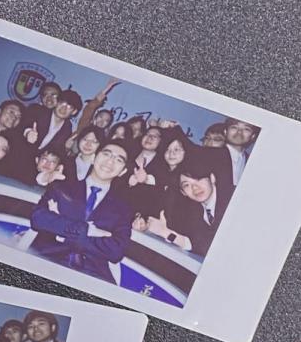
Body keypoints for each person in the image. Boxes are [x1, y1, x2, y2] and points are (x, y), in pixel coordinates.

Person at [31, 141, 134, 284]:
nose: (110, 161)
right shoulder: (62, 187)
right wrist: (87, 230)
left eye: (118, 160)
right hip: (47, 259)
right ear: (94, 158)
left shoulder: (122, 209)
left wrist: (65, 233)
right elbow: (38, 219)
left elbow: (116, 251)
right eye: (106, 154)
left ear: (122, 171)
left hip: (92, 273)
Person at [145, 153, 234, 257]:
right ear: (183, 192)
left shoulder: (232, 198)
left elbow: (216, 249)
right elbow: (197, 242)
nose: (195, 187)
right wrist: (153, 228)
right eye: (186, 185)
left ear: (212, 178)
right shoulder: (193, 209)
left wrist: (167, 233)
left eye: (198, 179)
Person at [22, 88, 82, 155]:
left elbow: (56, 152)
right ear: (56, 102)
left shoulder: (67, 128)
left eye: (69, 107)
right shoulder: (38, 110)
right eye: (62, 103)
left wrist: (66, 148)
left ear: (74, 111)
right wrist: (28, 132)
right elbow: (26, 123)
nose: (63, 108)